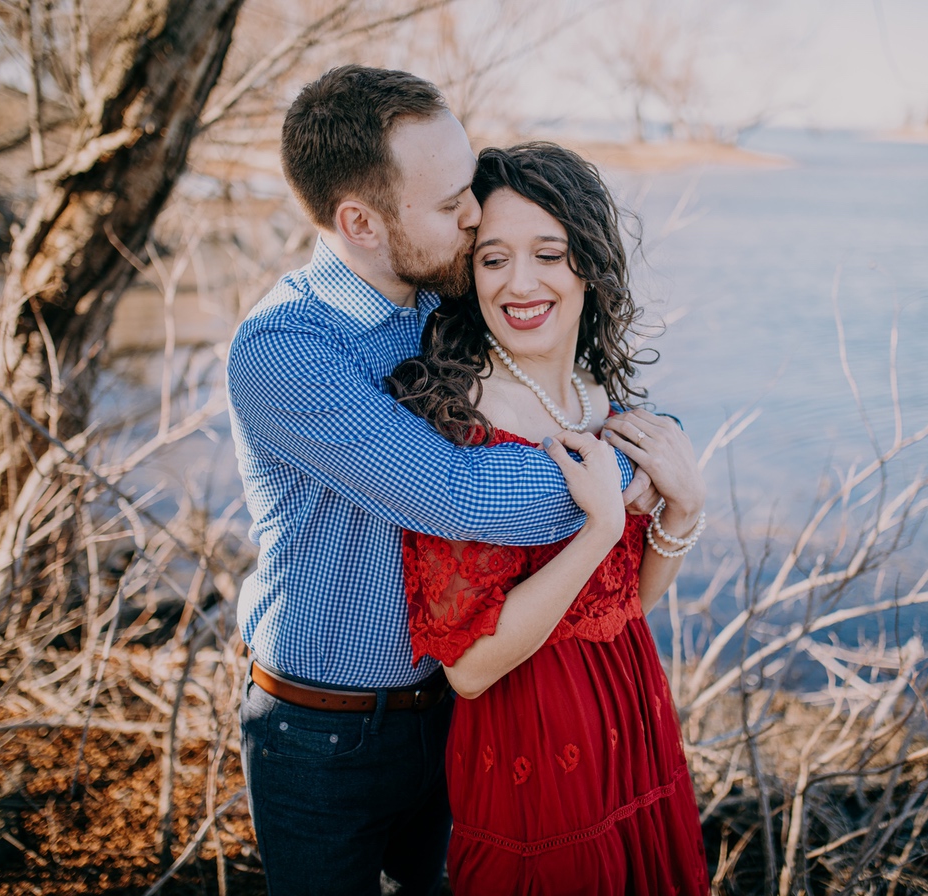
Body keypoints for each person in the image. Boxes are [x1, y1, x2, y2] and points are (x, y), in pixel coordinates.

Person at [226, 68, 655, 895]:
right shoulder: (285, 350)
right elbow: (460, 496)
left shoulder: (441, 303)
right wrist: (621, 472)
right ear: (361, 222)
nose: (474, 215)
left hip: (460, 709)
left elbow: (561, 374)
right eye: (451, 200)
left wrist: (651, 439)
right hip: (320, 733)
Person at [388, 142, 710, 894]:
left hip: (633, 724)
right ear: (469, 275)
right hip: (531, 758)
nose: (520, 283)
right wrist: (597, 529)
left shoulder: (602, 399)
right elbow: (467, 668)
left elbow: (623, 607)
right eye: (494, 259)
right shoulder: (457, 422)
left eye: (549, 254)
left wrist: (685, 506)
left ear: (588, 267)